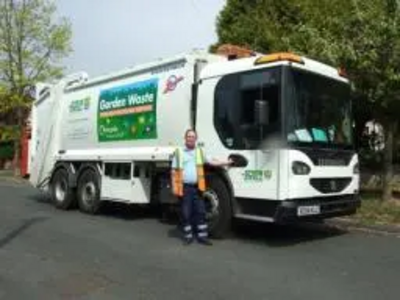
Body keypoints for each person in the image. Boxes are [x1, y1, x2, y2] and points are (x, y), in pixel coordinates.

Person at [170, 129, 233, 246]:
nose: (191, 138)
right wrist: (174, 186)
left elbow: (212, 161)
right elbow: (173, 171)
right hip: (185, 188)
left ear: (195, 139)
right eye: (189, 136)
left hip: (198, 188)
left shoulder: (199, 152)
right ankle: (188, 237)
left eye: (193, 137)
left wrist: (226, 162)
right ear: (185, 138)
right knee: (186, 213)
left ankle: (202, 237)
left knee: (201, 212)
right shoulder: (179, 153)